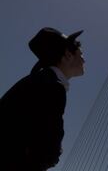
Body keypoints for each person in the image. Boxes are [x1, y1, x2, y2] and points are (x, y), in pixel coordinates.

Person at [0, 27, 85, 171]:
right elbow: (47, 151)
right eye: (80, 53)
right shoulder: (52, 87)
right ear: (67, 55)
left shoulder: (39, 81)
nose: (83, 58)